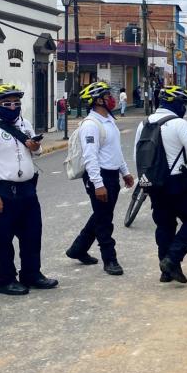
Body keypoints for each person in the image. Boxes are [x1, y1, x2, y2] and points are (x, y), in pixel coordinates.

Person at [0, 84, 58, 296]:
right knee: (2, 239)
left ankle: (31, 274)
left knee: (32, 234)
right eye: (7, 103)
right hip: (1, 190)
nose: (12, 107)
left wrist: (36, 148)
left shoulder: (25, 125)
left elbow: (37, 153)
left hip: (27, 190)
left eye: (16, 103)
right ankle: (4, 280)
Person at [133, 85, 187, 284]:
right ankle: (173, 258)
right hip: (176, 181)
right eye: (183, 103)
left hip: (153, 182)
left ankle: (166, 270)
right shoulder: (179, 123)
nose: (184, 107)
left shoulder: (144, 124)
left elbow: (136, 155)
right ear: (175, 103)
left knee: (164, 225)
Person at [65, 81, 134, 276]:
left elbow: (116, 151)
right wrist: (98, 184)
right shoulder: (91, 125)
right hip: (99, 176)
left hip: (111, 174)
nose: (111, 98)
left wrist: (125, 172)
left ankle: (78, 249)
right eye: (107, 96)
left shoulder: (109, 120)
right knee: (105, 219)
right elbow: (90, 157)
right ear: (97, 101)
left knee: (100, 214)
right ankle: (110, 259)